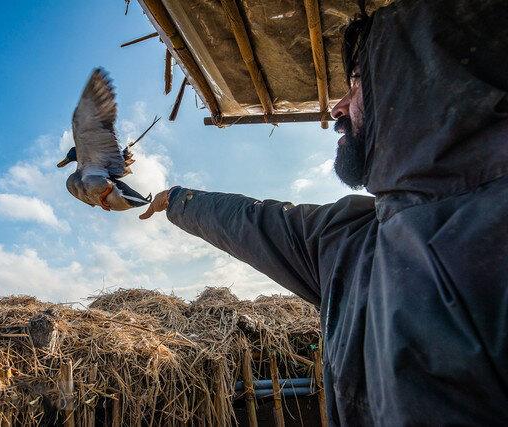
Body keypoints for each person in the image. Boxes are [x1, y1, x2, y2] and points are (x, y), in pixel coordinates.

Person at [139, 0, 508, 424]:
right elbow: (255, 222)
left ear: (416, 87)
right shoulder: (347, 239)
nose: (336, 108)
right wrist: (180, 200)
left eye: (356, 85)